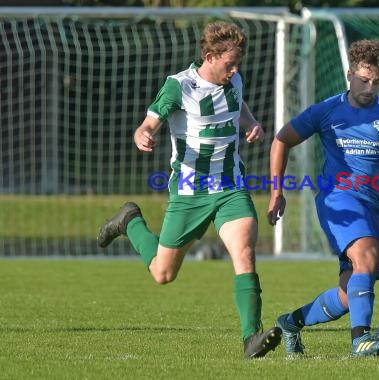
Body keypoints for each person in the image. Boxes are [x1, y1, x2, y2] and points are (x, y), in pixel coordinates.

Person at [97, 21, 282, 359]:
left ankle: (250, 338)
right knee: (162, 273)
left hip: (230, 187)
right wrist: (143, 133)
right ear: (210, 56)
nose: (236, 69)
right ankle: (129, 221)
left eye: (238, 62)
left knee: (244, 252)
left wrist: (252, 123)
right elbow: (151, 121)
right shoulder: (179, 87)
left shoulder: (234, 80)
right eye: (230, 63)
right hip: (189, 192)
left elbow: (238, 105)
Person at [267, 39, 379, 357]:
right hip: (339, 200)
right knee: (367, 260)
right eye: (363, 80)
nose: (369, 88)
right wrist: (277, 191)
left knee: (352, 292)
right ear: (349, 74)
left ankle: (291, 322)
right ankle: (362, 341)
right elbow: (281, 140)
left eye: (376, 82)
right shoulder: (328, 110)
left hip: (372, 206)